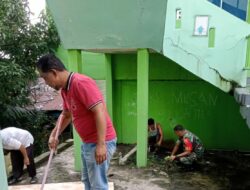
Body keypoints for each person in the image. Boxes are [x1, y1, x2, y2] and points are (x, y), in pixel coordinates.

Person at [36, 54, 117, 190]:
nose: (46, 83)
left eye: (45, 78)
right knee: (87, 181)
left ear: (54, 72)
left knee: (97, 185)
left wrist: (101, 144)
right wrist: (54, 134)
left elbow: (99, 111)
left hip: (99, 141)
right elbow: (66, 115)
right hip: (88, 143)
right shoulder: (65, 90)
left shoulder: (80, 83)